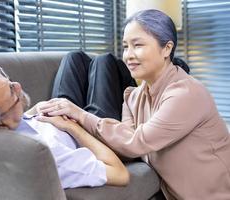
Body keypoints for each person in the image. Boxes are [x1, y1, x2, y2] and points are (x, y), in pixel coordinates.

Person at [37, 9, 230, 199]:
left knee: (100, 64)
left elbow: (135, 142)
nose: (128, 55)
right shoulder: (133, 96)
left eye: (137, 45)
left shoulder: (187, 94)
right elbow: (125, 147)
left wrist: (79, 115)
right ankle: (56, 135)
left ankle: (60, 138)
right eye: (125, 46)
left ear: (167, 48)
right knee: (75, 58)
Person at [0, 66, 130, 189]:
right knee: (105, 64)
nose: (18, 85)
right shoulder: (48, 156)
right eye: (11, 92)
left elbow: (15, 122)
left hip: (54, 117)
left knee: (74, 58)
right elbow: (120, 175)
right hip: (90, 132)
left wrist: (37, 110)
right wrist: (73, 126)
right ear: (0, 123)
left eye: (3, 76)